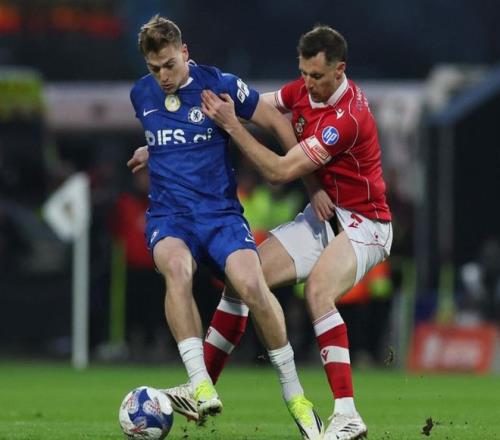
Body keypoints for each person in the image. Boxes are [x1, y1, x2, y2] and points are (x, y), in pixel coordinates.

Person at [129, 24, 392, 440]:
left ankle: (347, 413)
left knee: (317, 292)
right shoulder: (304, 90)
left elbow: (278, 171)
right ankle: (202, 388)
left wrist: (234, 129)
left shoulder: (347, 119)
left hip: (363, 221)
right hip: (323, 216)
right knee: (244, 282)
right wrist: (165, 147)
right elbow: (258, 105)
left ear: (339, 70)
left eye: (316, 76)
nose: (306, 83)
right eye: (302, 73)